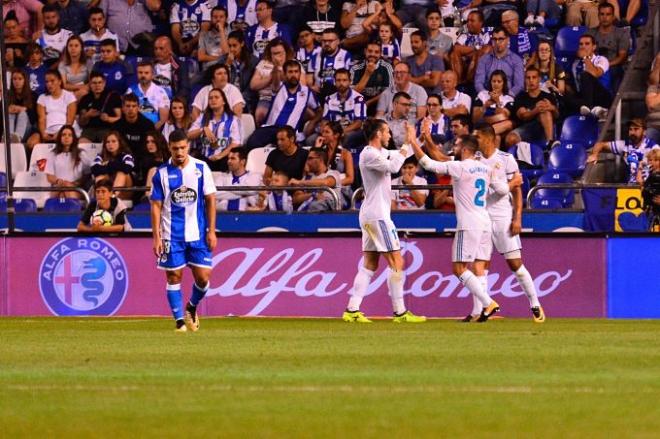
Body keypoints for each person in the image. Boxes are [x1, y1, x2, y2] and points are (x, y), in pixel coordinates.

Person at [409, 128, 521, 322]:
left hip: (468, 223)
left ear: (467, 150)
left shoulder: (460, 167)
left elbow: (428, 163)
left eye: (458, 146)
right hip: (485, 221)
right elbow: (503, 189)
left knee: (459, 269)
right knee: (478, 266)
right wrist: (514, 184)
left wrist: (412, 141)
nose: (455, 148)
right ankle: (479, 312)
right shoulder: (486, 169)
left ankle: (488, 303)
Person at [342, 118, 426, 323]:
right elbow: (395, 166)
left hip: (373, 214)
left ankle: (352, 310)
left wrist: (418, 139)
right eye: (387, 132)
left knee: (370, 263)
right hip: (377, 215)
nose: (390, 135)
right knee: (397, 261)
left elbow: (403, 155)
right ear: (378, 134)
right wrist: (407, 143)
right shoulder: (369, 154)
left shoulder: (380, 152)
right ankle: (400, 312)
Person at [470, 123, 545, 322]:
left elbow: (517, 190)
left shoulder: (505, 159)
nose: (475, 141)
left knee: (515, 264)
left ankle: (535, 303)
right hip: (481, 218)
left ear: (488, 138)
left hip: (502, 217)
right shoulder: (473, 159)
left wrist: (518, 217)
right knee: (479, 265)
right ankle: (479, 311)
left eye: (477, 137)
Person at [150, 129, 217, 332]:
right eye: (175, 148)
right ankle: (179, 322)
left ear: (188, 146)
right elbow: (155, 206)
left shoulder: (201, 168)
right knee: (173, 277)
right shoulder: (161, 174)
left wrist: (211, 231)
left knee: (203, 278)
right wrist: (156, 237)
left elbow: (211, 200)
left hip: (197, 233)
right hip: (172, 234)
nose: (179, 152)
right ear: (169, 148)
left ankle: (191, 307)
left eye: (182, 147)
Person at [246, 59, 319, 148]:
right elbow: (276, 79)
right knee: (251, 143)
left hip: (289, 132)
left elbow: (319, 110)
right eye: (290, 72)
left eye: (296, 72)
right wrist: (276, 68)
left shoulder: (307, 92)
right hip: (270, 128)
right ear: (284, 74)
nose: (293, 75)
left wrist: (313, 122)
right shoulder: (278, 86)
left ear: (300, 74)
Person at [588, 118, 660, 184]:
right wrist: (594, 155)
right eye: (630, 129)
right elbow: (600, 144)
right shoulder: (625, 145)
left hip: (647, 187)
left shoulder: (653, 147)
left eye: (636, 129)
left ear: (644, 132)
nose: (632, 132)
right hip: (629, 187)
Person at [187, 88, 242, 172]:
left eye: (216, 97)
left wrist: (220, 156)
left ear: (224, 101)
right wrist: (202, 130)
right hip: (204, 157)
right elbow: (188, 135)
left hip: (223, 158)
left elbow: (236, 143)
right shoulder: (202, 118)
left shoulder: (233, 119)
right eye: (210, 98)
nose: (213, 100)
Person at [27, 70, 77, 151]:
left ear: (60, 81)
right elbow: (42, 119)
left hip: (65, 130)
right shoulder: (42, 97)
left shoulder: (69, 96)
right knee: (31, 143)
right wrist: (43, 134)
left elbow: (70, 121)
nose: (49, 84)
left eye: (52, 81)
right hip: (47, 131)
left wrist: (60, 133)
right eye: (47, 82)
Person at [508, 67, 559, 148]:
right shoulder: (520, 97)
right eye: (528, 78)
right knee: (510, 139)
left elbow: (557, 115)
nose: (531, 80)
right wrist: (536, 110)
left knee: (545, 111)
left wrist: (551, 108)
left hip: (544, 129)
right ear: (525, 80)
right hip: (526, 129)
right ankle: (522, 158)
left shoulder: (548, 96)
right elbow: (523, 116)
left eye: (534, 77)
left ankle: (550, 143)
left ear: (539, 79)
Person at [566, 34, 612, 120]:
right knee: (563, 95)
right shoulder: (575, 64)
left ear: (594, 47)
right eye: (581, 44)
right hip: (584, 97)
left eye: (587, 44)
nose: (583, 47)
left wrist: (586, 58)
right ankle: (592, 109)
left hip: (602, 96)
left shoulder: (601, 59)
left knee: (585, 75)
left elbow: (595, 73)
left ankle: (589, 107)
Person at [249, 38, 293, 125]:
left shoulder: (293, 64)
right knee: (260, 114)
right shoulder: (263, 63)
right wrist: (271, 76)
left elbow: (301, 84)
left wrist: (280, 69)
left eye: (279, 53)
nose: (276, 56)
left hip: (286, 98)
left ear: (286, 52)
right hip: (266, 98)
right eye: (274, 54)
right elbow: (253, 85)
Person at [586, 3, 629, 89]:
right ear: (598, 16)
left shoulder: (621, 33)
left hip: (613, 66)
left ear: (613, 16)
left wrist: (605, 65)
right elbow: (585, 52)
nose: (605, 17)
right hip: (593, 66)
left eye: (608, 14)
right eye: (602, 14)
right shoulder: (590, 33)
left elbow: (622, 56)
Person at [322, 69, 367, 149]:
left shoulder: (358, 98)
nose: (341, 83)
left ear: (350, 82)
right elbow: (325, 120)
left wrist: (340, 132)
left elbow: (358, 123)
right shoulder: (329, 99)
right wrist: (327, 132)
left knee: (346, 138)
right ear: (334, 82)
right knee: (311, 139)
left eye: (344, 80)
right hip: (333, 132)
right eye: (338, 80)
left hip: (353, 131)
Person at [475, 27, 525, 98]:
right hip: (487, 97)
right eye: (495, 39)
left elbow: (519, 85)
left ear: (507, 40)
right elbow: (478, 83)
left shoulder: (516, 60)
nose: (497, 42)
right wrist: (486, 96)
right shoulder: (484, 59)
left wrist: (505, 98)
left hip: (508, 99)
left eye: (501, 39)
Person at [217, 30, 259, 112]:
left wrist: (239, 98)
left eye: (234, 45)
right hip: (226, 97)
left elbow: (251, 87)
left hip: (246, 99)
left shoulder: (253, 61)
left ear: (242, 44)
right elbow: (219, 81)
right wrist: (227, 65)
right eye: (229, 46)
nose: (232, 49)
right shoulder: (223, 60)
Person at [45, 125, 91, 199]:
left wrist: (74, 183)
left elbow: (87, 174)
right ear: (60, 137)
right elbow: (49, 177)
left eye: (70, 135)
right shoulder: (52, 154)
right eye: (64, 135)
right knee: (63, 190)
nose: (66, 137)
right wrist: (59, 182)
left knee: (64, 193)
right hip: (58, 186)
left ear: (73, 138)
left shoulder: (81, 154)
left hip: (77, 188)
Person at [290, 147, 341, 211]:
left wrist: (300, 182)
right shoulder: (307, 178)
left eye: (310, 158)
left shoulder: (333, 174)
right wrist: (312, 195)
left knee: (316, 205)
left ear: (320, 159)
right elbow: (295, 199)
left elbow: (326, 183)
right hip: (311, 209)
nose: (307, 162)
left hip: (330, 211)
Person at [472, 70, 515, 146]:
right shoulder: (482, 95)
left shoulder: (509, 99)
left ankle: (481, 135)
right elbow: (474, 119)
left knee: (509, 123)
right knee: (496, 137)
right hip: (484, 126)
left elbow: (503, 118)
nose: (496, 84)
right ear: (490, 82)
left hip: (499, 128)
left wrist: (497, 102)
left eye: (499, 81)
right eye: (493, 81)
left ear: (504, 83)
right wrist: (485, 106)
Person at [306, 27, 352, 98]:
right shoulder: (314, 57)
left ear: (338, 41)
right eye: (324, 41)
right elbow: (309, 81)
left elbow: (351, 79)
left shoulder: (346, 56)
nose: (327, 44)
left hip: (340, 94)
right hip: (319, 95)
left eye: (330, 41)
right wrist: (313, 87)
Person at [111, 94, 156, 166]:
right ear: (123, 108)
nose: (131, 109)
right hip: (122, 158)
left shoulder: (148, 125)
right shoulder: (116, 126)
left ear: (138, 107)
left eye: (134, 106)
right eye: (128, 106)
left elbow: (151, 146)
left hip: (142, 158)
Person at [351, 41, 394, 116]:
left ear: (380, 53)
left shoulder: (387, 67)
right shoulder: (356, 68)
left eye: (376, 52)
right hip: (360, 102)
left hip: (379, 102)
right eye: (370, 51)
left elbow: (388, 92)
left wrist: (369, 102)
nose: (373, 54)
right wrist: (367, 74)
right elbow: (352, 93)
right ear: (365, 51)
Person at [78, 71, 122, 143]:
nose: (97, 85)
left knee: (108, 143)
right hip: (90, 129)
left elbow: (120, 118)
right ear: (90, 84)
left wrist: (108, 118)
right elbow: (81, 122)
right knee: (82, 143)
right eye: (94, 83)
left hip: (107, 128)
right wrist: (88, 115)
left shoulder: (113, 96)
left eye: (100, 82)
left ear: (104, 83)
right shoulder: (85, 98)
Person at [449, 10, 491, 85]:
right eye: (467, 21)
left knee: (483, 51)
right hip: (464, 65)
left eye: (472, 21)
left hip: (481, 66)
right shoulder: (463, 36)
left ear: (480, 23)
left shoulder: (486, 35)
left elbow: (487, 51)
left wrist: (472, 53)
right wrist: (477, 49)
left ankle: (471, 82)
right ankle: (459, 84)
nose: (468, 23)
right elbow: (456, 49)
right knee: (453, 53)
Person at [91, 130, 136, 199]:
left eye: (113, 141)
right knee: (100, 175)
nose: (110, 144)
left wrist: (108, 164)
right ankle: (101, 197)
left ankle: (112, 198)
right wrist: (115, 166)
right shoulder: (101, 156)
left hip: (125, 190)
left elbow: (127, 168)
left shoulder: (126, 155)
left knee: (121, 173)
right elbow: (95, 170)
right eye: (108, 142)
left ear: (119, 143)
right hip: (108, 187)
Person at [126, 61, 171, 130]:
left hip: (153, 131)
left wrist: (151, 132)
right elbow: (126, 113)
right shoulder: (130, 91)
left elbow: (163, 120)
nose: (143, 75)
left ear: (152, 75)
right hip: (133, 130)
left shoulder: (160, 92)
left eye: (146, 73)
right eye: (140, 73)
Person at [405, 30, 444, 96]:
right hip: (413, 97)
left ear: (424, 43)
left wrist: (413, 81)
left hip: (432, 98)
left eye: (416, 42)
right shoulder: (408, 60)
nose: (413, 45)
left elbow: (434, 82)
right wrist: (423, 78)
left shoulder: (436, 60)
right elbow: (405, 81)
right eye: (411, 42)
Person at [153, 36, 190, 100]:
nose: (157, 51)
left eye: (161, 48)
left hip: (172, 101)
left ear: (170, 50)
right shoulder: (150, 65)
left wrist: (174, 101)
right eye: (156, 49)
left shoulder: (180, 66)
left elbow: (184, 89)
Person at [7, 68, 35, 143]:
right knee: (10, 113)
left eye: (20, 79)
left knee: (22, 114)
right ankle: (9, 137)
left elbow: (33, 119)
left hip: (26, 129)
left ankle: (17, 138)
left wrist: (24, 109)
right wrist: (7, 110)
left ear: (25, 80)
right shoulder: (7, 95)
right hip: (10, 127)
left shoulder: (33, 95)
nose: (17, 81)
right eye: (14, 79)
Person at [59, 35, 90, 100]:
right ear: (67, 48)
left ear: (81, 48)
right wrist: (80, 87)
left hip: (85, 93)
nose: (73, 48)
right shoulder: (62, 64)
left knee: (83, 92)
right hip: (67, 93)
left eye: (76, 46)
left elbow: (90, 82)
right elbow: (64, 85)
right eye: (70, 46)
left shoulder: (88, 63)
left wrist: (73, 87)